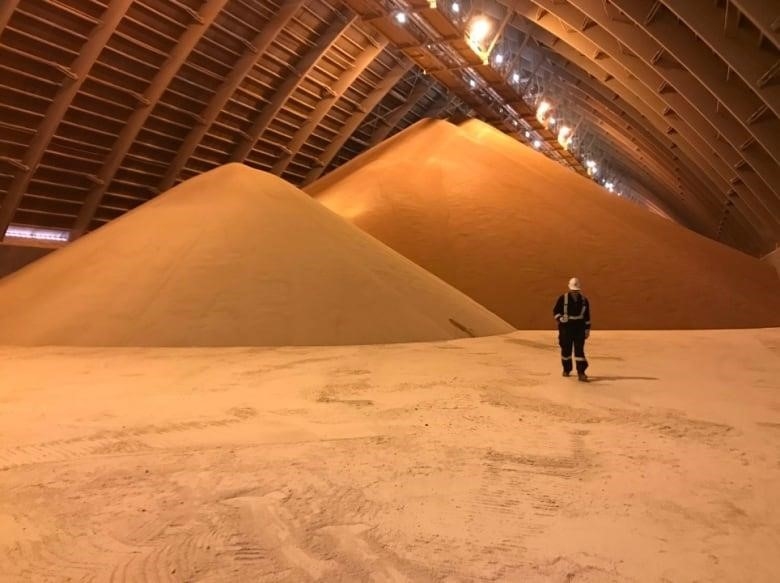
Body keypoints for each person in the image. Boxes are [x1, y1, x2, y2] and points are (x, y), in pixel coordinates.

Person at [553, 277, 591, 382]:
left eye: (577, 291)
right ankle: (567, 369)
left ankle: (581, 372)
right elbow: (556, 311)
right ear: (570, 289)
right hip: (566, 328)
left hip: (579, 328)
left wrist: (587, 330)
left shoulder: (584, 300)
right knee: (566, 350)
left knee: (579, 350)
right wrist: (560, 318)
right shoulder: (562, 298)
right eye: (573, 291)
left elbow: (587, 316)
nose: (575, 292)